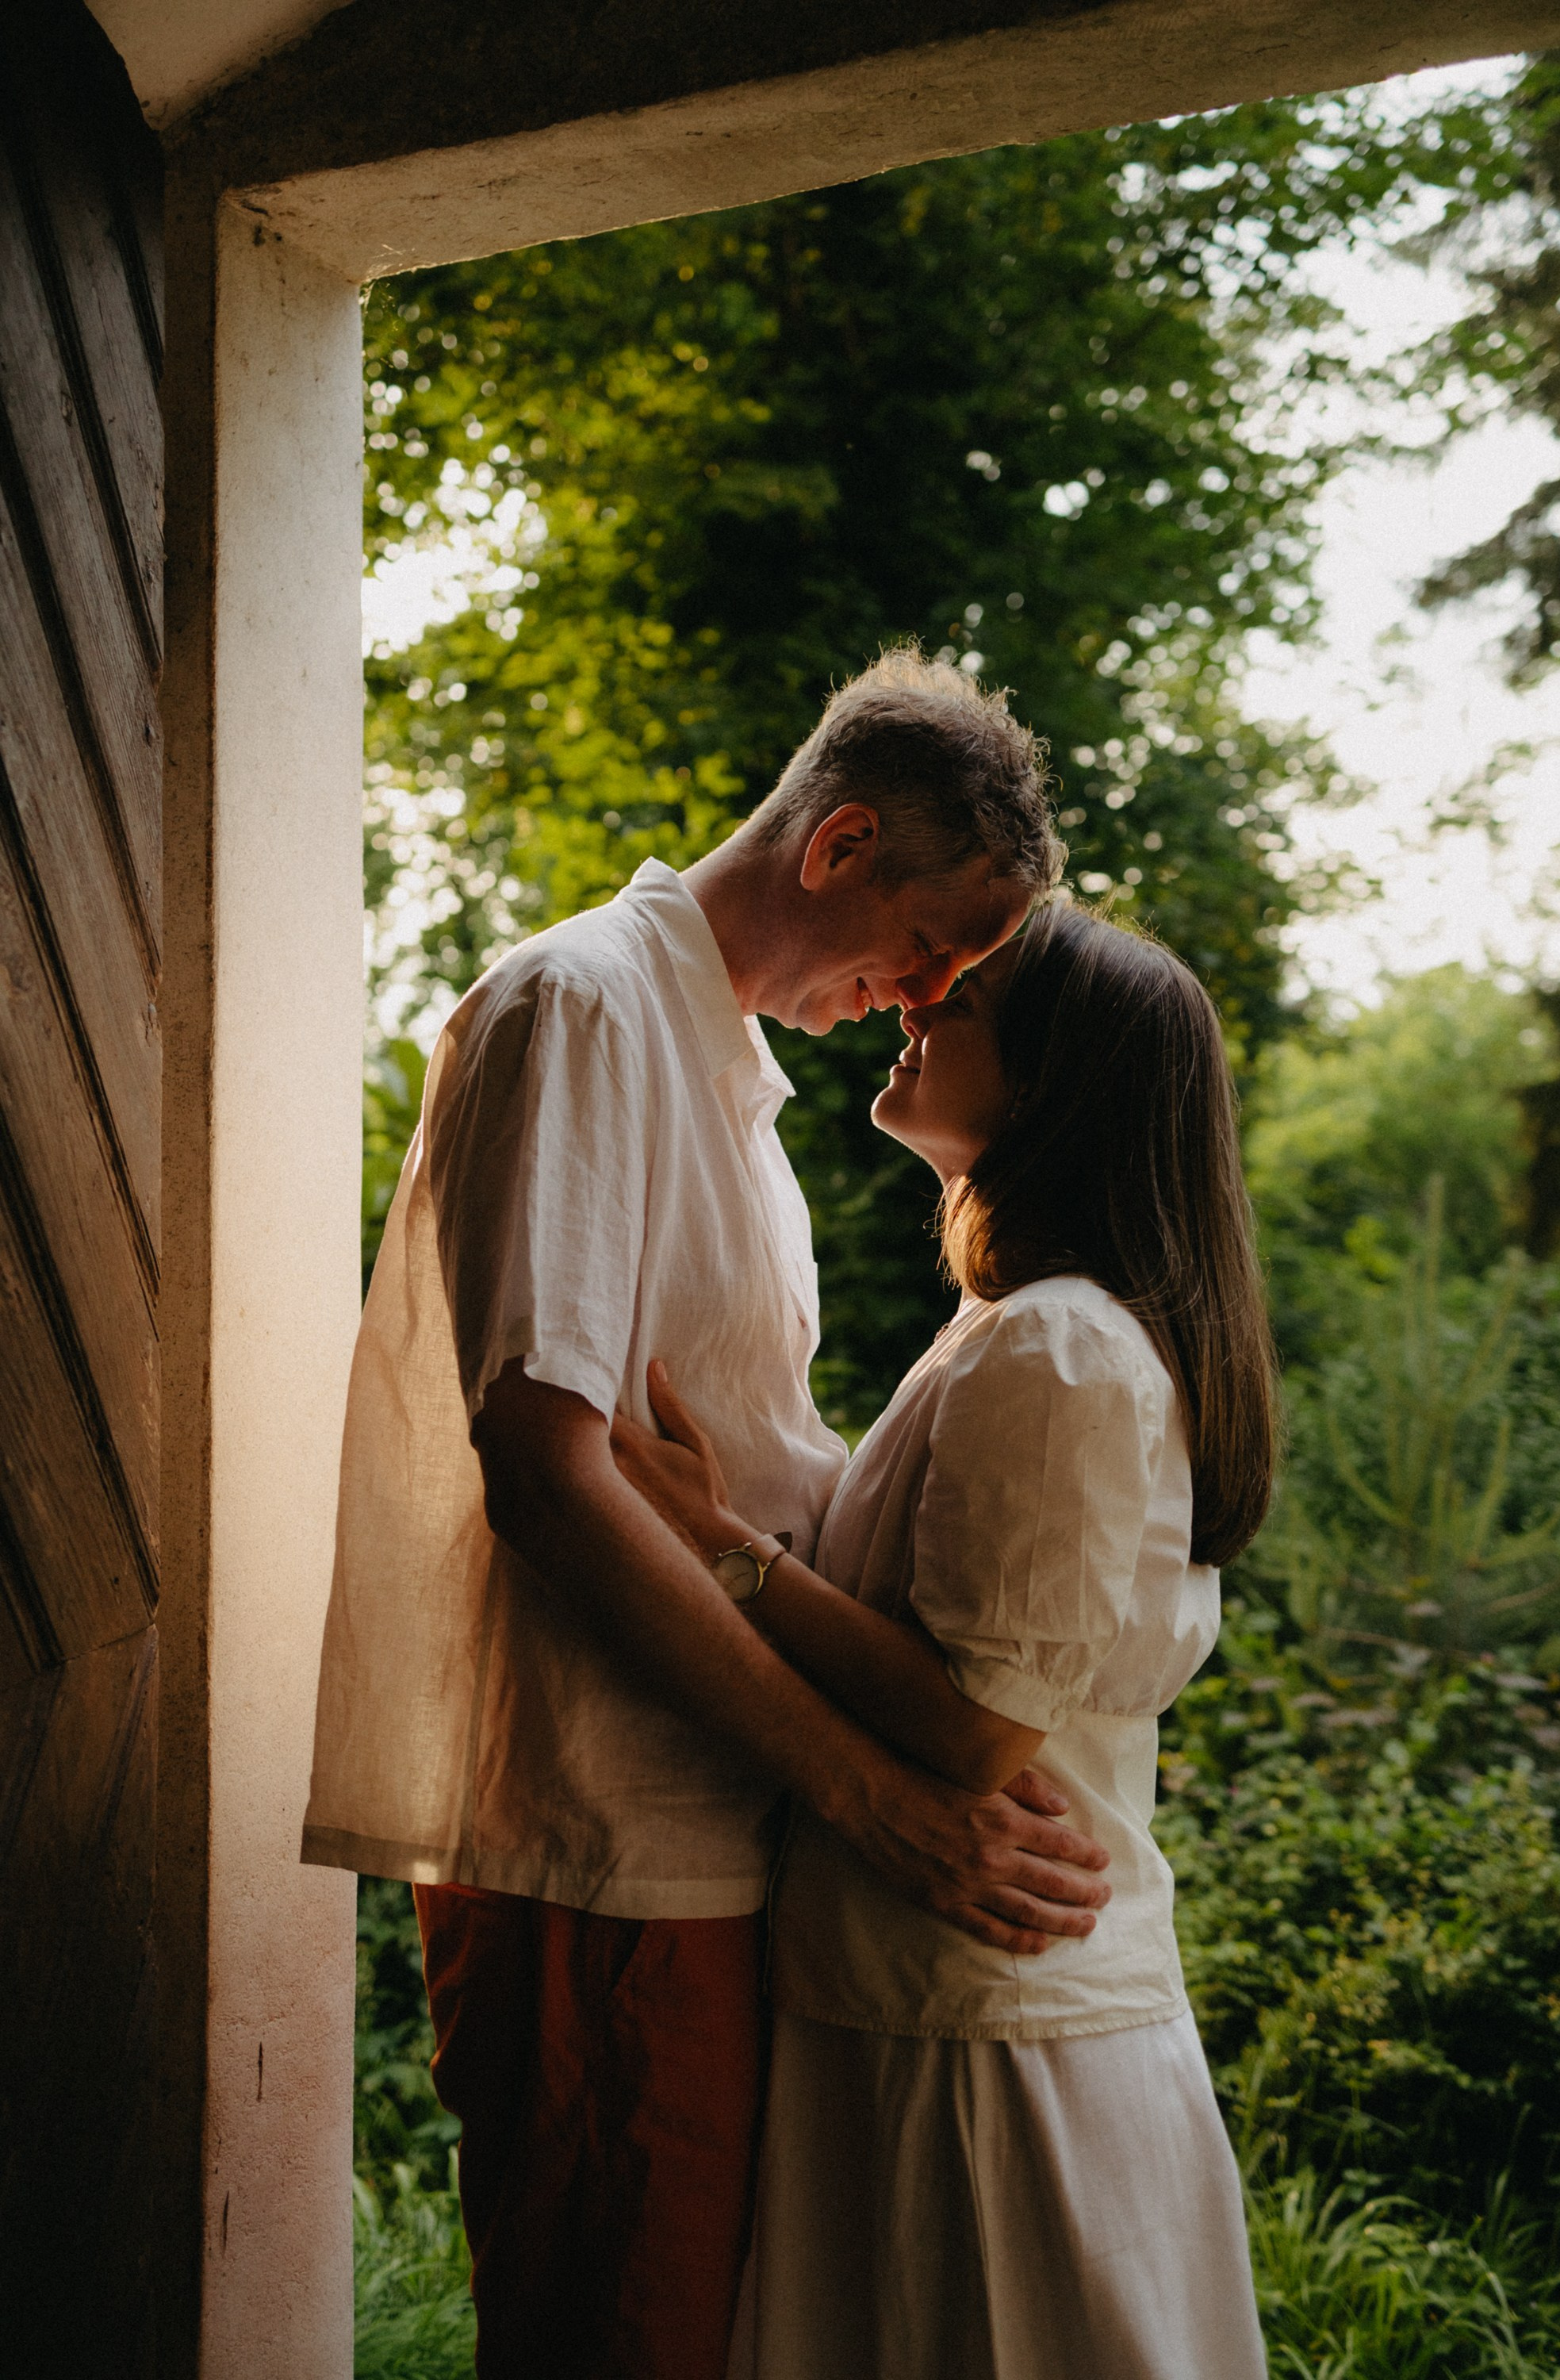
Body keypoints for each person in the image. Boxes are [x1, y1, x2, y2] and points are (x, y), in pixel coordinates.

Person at [301, 651, 1114, 2380]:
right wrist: (878, 1799)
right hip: (613, 1834)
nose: (925, 997)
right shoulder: (584, 1008)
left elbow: (725, 1470)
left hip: (702, 1830)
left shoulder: (721, 1070)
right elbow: (548, 1470)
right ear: (836, 851)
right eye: (931, 947)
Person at [611, 899, 1277, 2380]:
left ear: (1053, 1083)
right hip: (935, 2004)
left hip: (991, 2039)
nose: (914, 1002)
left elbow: (980, 1731)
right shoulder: (1021, 1327)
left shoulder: (1064, 1350)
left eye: (956, 1002)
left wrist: (720, 1551)